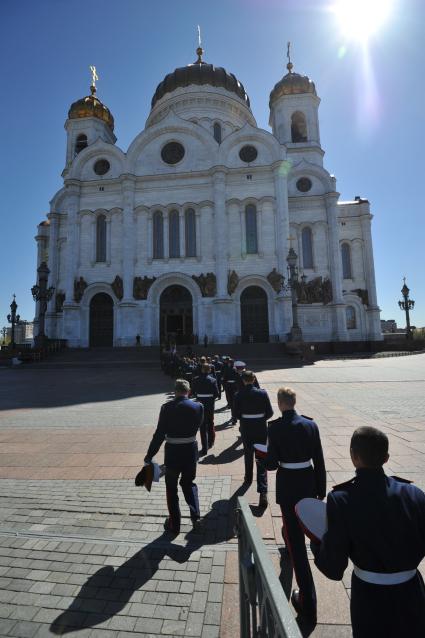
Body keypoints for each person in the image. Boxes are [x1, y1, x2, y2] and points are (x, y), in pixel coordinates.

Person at [312, 426, 425, 638]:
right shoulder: (415, 494)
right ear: (386, 457)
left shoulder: (342, 499)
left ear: (353, 456)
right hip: (412, 593)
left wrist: (317, 544)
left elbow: (334, 567)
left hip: (370, 599)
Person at [266, 387, 326, 621]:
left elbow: (271, 465)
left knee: (295, 543)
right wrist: (320, 489)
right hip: (309, 481)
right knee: (308, 526)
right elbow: (319, 460)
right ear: (294, 402)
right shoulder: (311, 425)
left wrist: (264, 460)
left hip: (289, 486)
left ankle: (307, 601)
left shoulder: (276, 428)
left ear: (280, 403)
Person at [144, 379, 204, 534]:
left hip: (172, 453)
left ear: (175, 391)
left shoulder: (166, 408)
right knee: (189, 483)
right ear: (188, 391)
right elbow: (198, 425)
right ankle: (195, 516)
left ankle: (174, 524)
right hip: (190, 451)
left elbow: (159, 435)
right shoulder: (198, 407)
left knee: (171, 488)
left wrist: (149, 455)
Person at [233, 370, 273, 508]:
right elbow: (270, 412)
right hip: (261, 429)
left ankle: (248, 478)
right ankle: (263, 492)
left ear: (243, 380)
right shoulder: (262, 393)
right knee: (261, 457)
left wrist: (247, 419)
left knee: (248, 454)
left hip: (246, 428)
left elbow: (236, 414)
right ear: (254, 378)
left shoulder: (238, 394)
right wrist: (260, 419)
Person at [191, 363, 219, 456]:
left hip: (199, 403)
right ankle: (210, 442)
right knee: (210, 423)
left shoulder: (196, 379)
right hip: (210, 404)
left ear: (202, 370)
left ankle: (204, 448)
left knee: (202, 426)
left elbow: (193, 392)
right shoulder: (213, 380)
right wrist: (210, 399)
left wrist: (199, 396)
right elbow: (216, 393)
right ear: (209, 370)